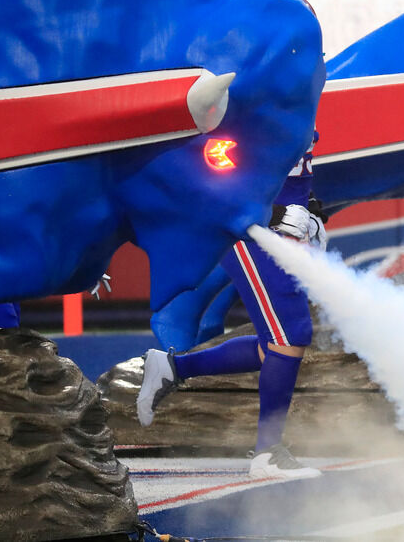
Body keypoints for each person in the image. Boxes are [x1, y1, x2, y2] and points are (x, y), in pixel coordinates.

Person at [135, 136, 328, 481]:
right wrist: (277, 214)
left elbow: (291, 164)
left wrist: (311, 209)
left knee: (277, 342)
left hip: (278, 227)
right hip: (248, 227)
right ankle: (267, 454)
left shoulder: (298, 86)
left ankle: (171, 367)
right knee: (291, 333)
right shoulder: (247, 87)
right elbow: (208, 166)